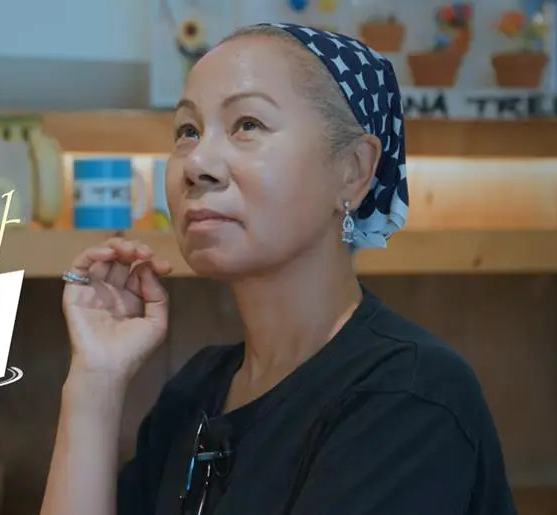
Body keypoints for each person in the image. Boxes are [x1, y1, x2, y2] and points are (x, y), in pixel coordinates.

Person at [39, 22, 517, 515]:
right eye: (187, 131)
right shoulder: (195, 392)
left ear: (353, 170)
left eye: (248, 124)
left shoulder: (409, 396)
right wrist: (95, 380)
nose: (198, 163)